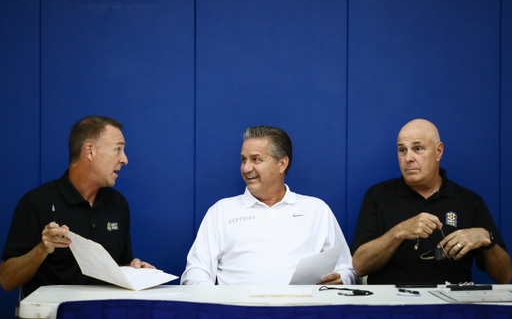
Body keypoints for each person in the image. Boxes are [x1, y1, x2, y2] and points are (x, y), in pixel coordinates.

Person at [0, 116, 154, 296]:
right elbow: (7, 280)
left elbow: (119, 267)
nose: (124, 159)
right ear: (90, 151)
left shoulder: (117, 203)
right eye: (117, 149)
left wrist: (135, 270)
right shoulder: (37, 202)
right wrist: (42, 249)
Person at [181, 125, 356, 285]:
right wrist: (214, 302)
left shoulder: (317, 210)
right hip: (237, 312)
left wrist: (341, 279)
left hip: (302, 310)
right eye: (243, 159)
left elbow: (347, 270)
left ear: (282, 164)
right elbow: (196, 271)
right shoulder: (221, 211)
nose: (246, 168)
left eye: (256, 159)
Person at [351, 119, 512, 285]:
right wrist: (398, 232)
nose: (408, 158)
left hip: (453, 306)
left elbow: (504, 278)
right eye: (402, 150)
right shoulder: (377, 196)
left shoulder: (469, 201)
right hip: (393, 305)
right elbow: (359, 266)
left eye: (418, 148)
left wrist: (487, 239)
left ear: (439, 151)